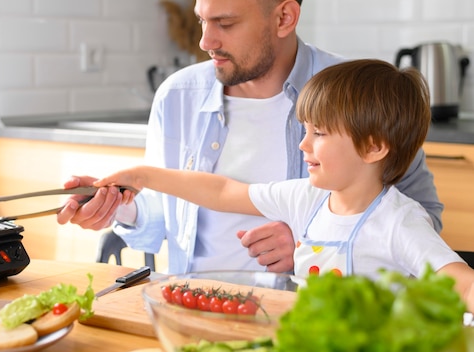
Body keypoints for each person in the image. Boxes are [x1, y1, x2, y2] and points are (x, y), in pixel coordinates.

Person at [56, 0, 443, 275]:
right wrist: (117, 204)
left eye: (225, 23)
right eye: (202, 20)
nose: (205, 42)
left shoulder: (351, 93)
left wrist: (320, 246)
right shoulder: (177, 96)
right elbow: (172, 216)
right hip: (190, 310)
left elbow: (421, 224)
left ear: (284, 17)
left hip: (293, 324)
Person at [94, 59, 474, 309]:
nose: (303, 144)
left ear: (373, 147)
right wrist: (143, 176)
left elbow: (460, 283)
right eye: (305, 129)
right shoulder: (306, 198)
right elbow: (223, 191)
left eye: (320, 133)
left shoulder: (400, 221)